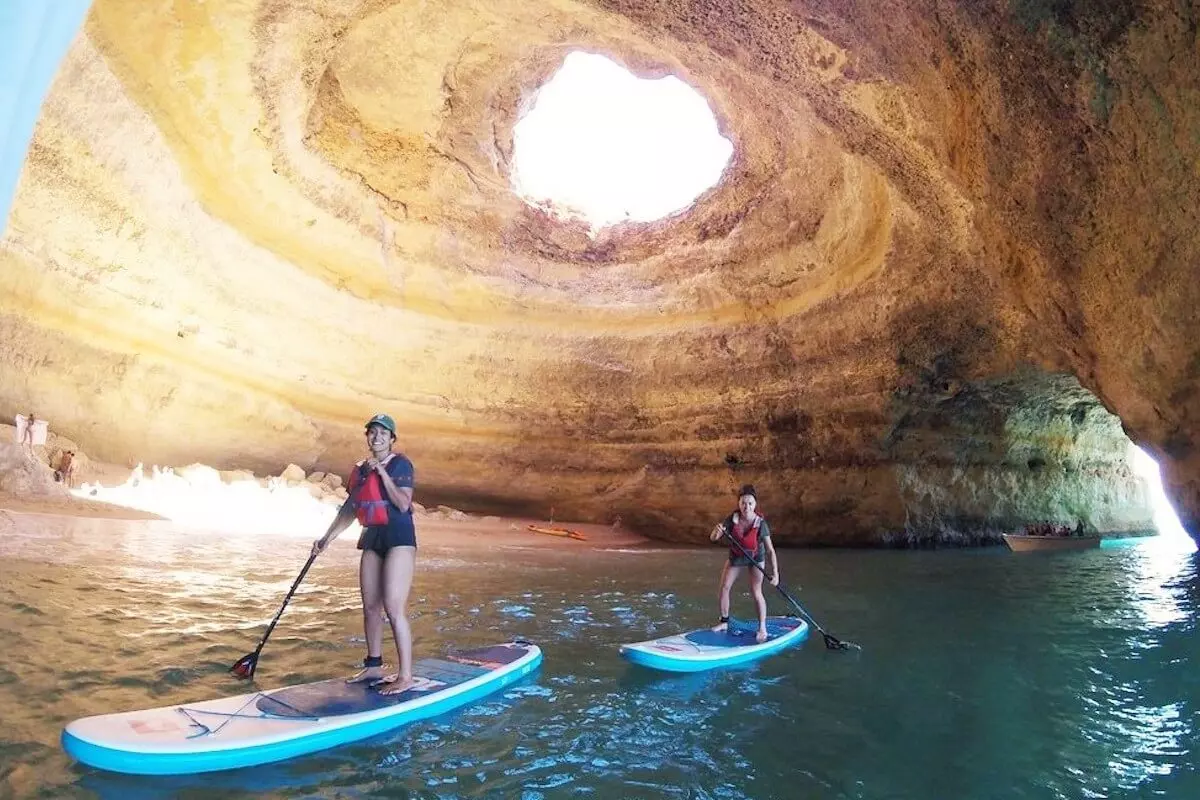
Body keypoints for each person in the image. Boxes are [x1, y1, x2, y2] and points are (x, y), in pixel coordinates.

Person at [311, 413, 417, 695]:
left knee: (393, 607)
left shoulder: (400, 464)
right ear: (367, 437)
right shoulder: (359, 470)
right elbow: (349, 510)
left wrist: (381, 472)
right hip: (372, 536)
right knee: (370, 606)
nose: (377, 437)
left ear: (392, 439)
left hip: (399, 538)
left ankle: (405, 676)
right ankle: (373, 665)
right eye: (373, 432)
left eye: (384, 433)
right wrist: (326, 539)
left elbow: (403, 504)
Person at [708, 484, 780, 643]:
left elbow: (770, 550)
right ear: (739, 504)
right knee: (724, 587)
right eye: (743, 503)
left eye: (750, 503)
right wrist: (717, 530)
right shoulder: (731, 519)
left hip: (756, 557)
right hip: (737, 556)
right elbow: (713, 538)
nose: (746, 507)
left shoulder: (760, 523)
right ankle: (724, 622)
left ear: (755, 505)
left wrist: (776, 574)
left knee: (756, 591)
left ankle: (762, 627)